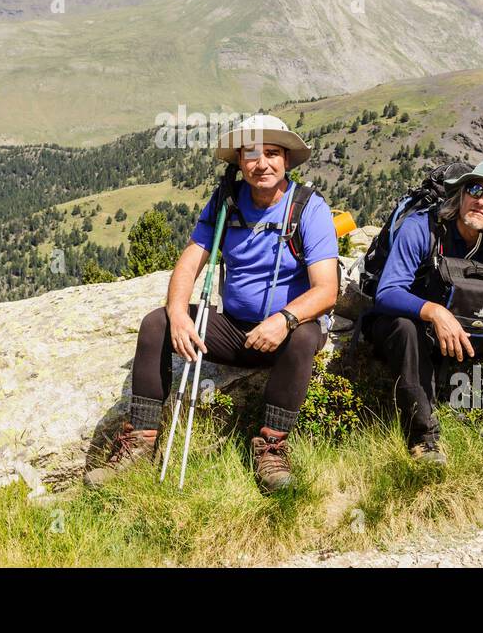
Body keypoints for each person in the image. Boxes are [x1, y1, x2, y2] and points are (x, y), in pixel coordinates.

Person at [86, 114, 339, 492]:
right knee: (156, 324)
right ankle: (141, 440)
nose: (262, 164)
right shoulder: (226, 202)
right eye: (252, 154)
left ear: (287, 159)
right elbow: (189, 263)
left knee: (304, 337)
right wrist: (177, 314)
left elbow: (326, 290)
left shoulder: (308, 208)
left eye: (272, 153)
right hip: (235, 328)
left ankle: (271, 446)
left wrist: (284, 320)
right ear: (239, 161)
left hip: (286, 333)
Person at [363, 159, 483, 465]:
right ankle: (423, 438)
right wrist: (434, 312)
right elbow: (387, 293)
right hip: (416, 334)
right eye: (475, 189)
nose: (481, 200)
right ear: (461, 194)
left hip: (467, 333)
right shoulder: (422, 227)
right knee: (403, 325)